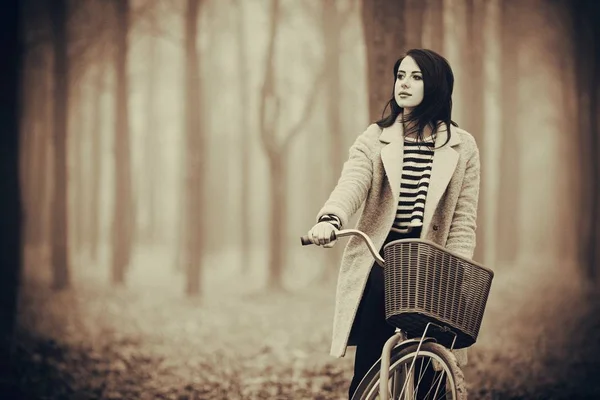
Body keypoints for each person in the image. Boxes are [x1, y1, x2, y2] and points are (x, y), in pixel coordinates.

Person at [306, 48, 480, 399]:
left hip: (435, 264)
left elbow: (463, 220)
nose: (405, 84)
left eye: (416, 77)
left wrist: (456, 270)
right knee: (372, 363)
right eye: (401, 75)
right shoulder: (375, 138)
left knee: (430, 370)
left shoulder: (463, 147)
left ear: (435, 85)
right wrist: (330, 217)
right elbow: (352, 183)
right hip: (384, 258)